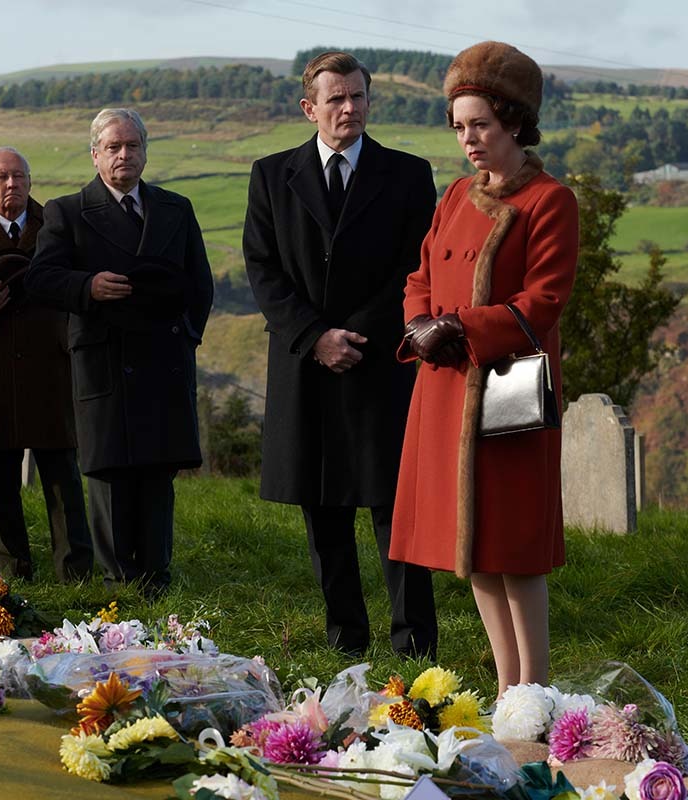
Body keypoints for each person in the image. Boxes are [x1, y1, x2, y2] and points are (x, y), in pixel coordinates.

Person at [389, 41, 579, 697]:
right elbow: (421, 272)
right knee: (471, 552)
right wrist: (419, 324)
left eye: (481, 125)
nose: (468, 139)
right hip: (445, 386)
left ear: (516, 122)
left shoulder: (551, 201)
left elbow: (545, 300)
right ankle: (508, 687)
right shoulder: (455, 196)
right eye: (460, 125)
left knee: (513, 548)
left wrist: (462, 327)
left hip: (508, 394)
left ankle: (537, 690)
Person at [243, 51, 438, 659]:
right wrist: (315, 337)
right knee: (323, 511)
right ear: (310, 109)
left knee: (394, 509)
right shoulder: (272, 175)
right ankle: (345, 641)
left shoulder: (407, 173)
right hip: (306, 367)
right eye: (336, 99)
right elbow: (263, 269)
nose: (350, 108)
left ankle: (414, 645)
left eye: (358, 96)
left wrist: (354, 334)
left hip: (381, 364)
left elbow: (417, 264)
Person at [25, 108, 213, 596]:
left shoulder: (176, 208)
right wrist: (88, 286)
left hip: (165, 363)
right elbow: (40, 278)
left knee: (157, 474)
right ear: (95, 154)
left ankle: (157, 581)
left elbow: (200, 285)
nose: (124, 155)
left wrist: (185, 337)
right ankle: (119, 588)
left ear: (145, 153)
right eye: (113, 147)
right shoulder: (68, 211)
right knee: (109, 475)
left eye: (132, 146)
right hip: (105, 364)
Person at [0, 146, 93, 582]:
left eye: (19, 176)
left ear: (30, 182)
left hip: (48, 364)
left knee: (61, 471)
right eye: (1, 178)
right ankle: (12, 572)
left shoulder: (53, 224)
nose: (12, 185)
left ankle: (74, 569)